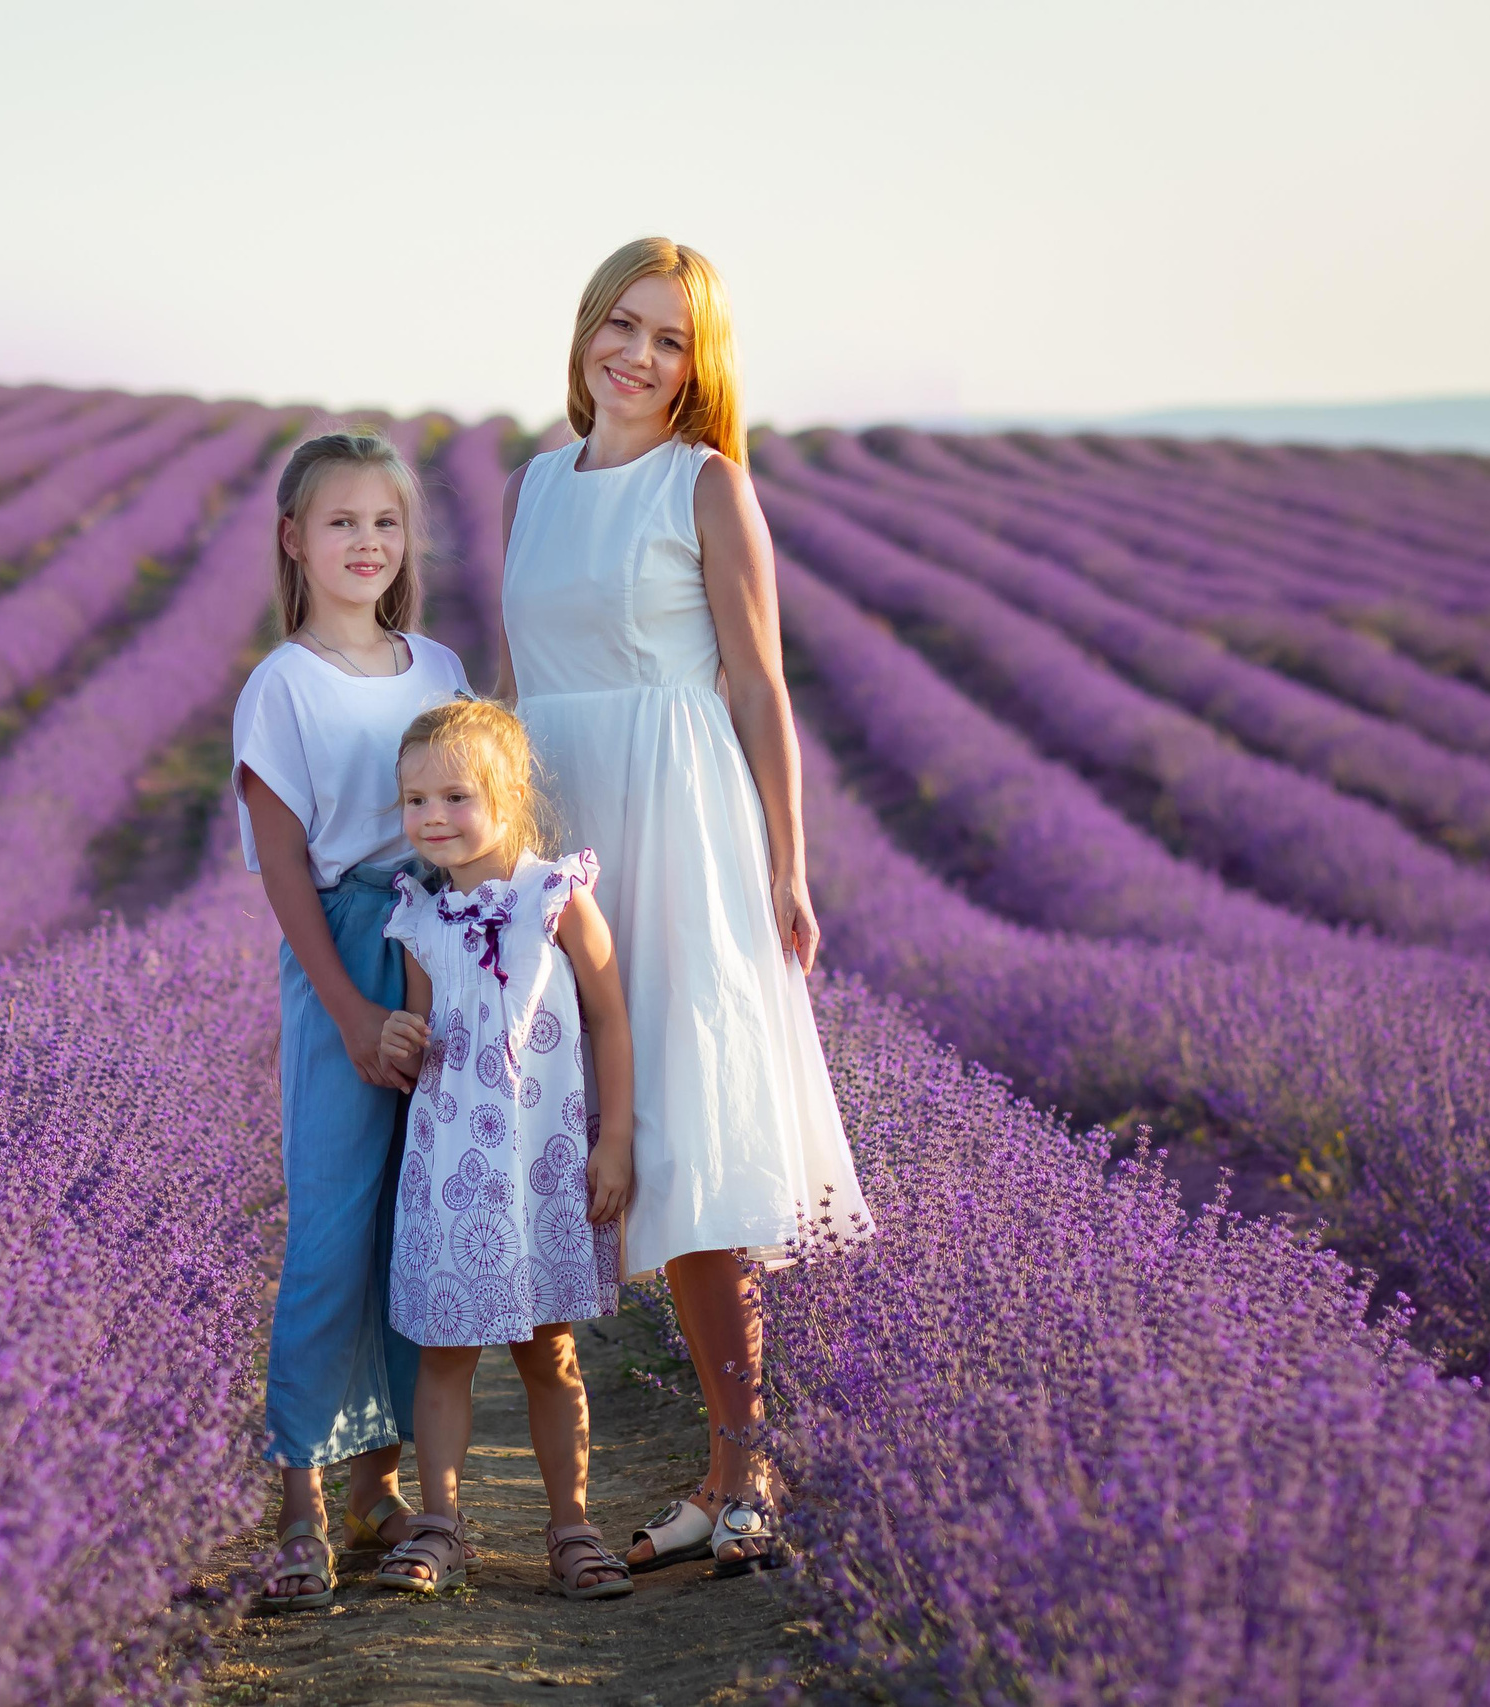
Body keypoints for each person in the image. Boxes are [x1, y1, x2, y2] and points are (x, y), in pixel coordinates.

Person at [494, 238, 874, 1576]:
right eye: (623, 323)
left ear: (699, 366)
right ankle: (545, 1479)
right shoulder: (531, 488)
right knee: (572, 1132)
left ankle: (739, 1465)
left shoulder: (707, 483)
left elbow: (760, 685)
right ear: (588, 328)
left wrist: (789, 859)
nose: (639, 355)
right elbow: (522, 680)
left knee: (694, 1132)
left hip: (686, 821)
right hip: (565, 824)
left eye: (670, 338)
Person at [233, 429, 473, 1611]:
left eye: (384, 521)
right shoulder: (279, 684)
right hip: (343, 953)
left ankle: (382, 1488)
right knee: (330, 1237)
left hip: (443, 948)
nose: (366, 542)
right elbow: (283, 871)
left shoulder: (439, 665)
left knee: (414, 1235)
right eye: (339, 522)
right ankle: (299, 1503)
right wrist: (346, 1013)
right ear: (294, 540)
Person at [366, 699, 637, 1600]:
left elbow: (609, 1018)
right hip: (449, 1173)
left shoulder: (557, 896)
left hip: (541, 1163)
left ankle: (571, 1525)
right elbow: (420, 1024)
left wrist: (620, 1140)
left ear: (509, 795)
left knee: (550, 1352)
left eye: (454, 795)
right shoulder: (419, 915)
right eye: (414, 801)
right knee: (445, 1351)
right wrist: (402, 1039)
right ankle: (440, 1525)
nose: (431, 817)